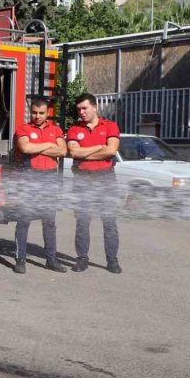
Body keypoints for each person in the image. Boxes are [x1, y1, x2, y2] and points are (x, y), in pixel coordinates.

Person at [67, 93, 122, 274]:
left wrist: (86, 152)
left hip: (106, 178)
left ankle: (112, 260)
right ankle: (82, 259)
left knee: (109, 222)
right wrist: (99, 147)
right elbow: (74, 153)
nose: (81, 112)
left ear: (94, 107)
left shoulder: (110, 126)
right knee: (82, 221)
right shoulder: (74, 129)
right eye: (79, 109)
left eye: (85, 108)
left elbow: (111, 150)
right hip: (83, 179)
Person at [12, 98, 66, 274]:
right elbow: (25, 148)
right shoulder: (23, 129)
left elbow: (63, 150)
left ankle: (51, 259)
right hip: (29, 178)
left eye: (41, 113)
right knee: (24, 221)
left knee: (49, 222)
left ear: (47, 112)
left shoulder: (56, 129)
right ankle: (20, 260)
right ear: (31, 111)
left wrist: (39, 147)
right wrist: (50, 145)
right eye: (34, 112)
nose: (37, 116)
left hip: (49, 179)